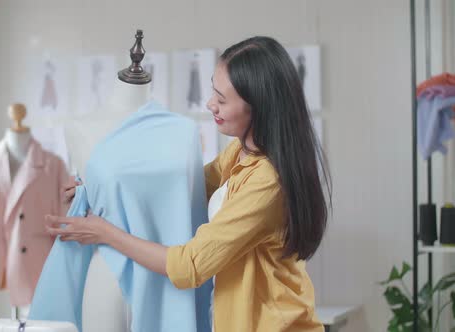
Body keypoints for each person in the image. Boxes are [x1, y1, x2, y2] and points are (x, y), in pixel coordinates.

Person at [46, 36, 331, 332]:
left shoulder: (268, 182)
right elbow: (183, 189)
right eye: (213, 91)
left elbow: (190, 265)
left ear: (258, 108)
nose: (210, 105)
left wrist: (104, 232)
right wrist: (93, 188)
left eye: (222, 100)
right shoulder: (241, 151)